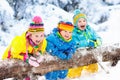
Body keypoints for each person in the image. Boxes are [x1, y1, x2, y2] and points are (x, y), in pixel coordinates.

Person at [67, 9, 102, 78]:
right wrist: (87, 43)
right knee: (74, 74)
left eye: (84, 21)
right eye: (79, 21)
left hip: (90, 56)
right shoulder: (73, 32)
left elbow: (99, 39)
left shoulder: (89, 30)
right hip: (78, 57)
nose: (82, 23)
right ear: (75, 24)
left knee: (94, 70)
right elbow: (75, 43)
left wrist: (95, 43)